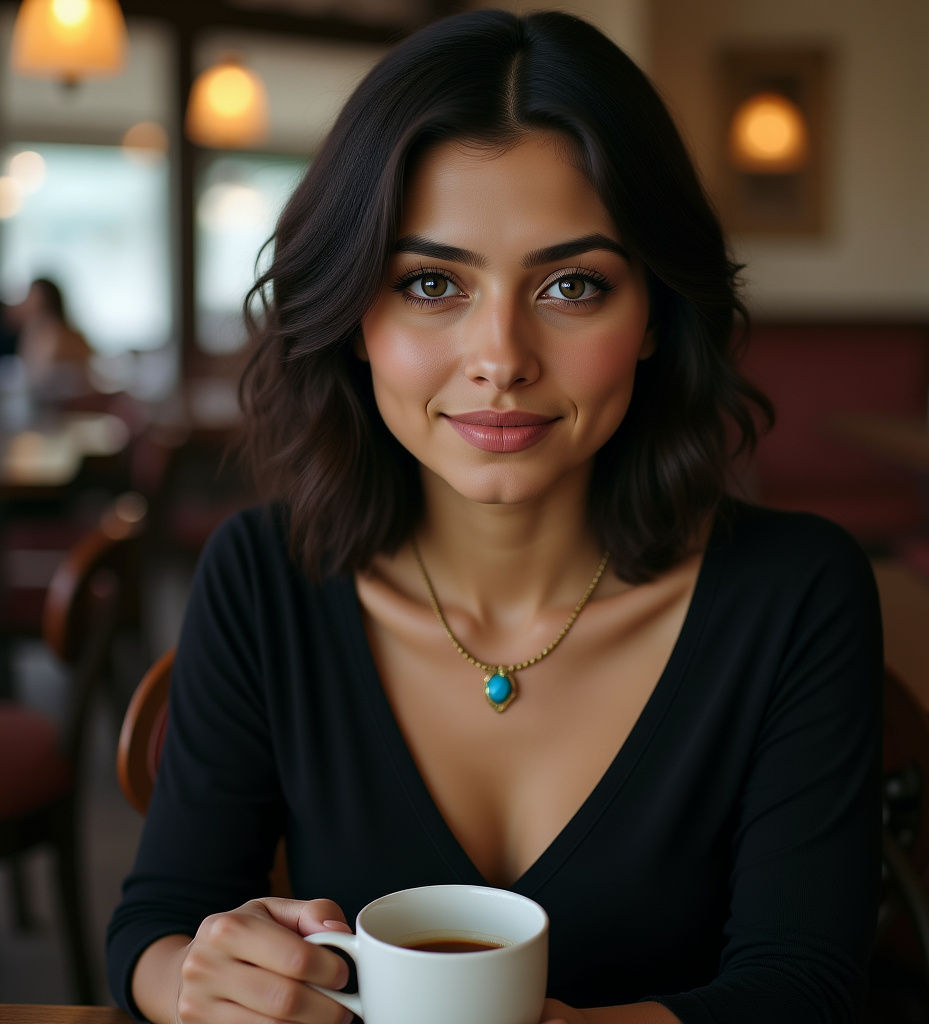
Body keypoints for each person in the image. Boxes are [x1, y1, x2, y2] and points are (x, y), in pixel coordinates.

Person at [107, 9, 882, 1024]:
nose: (500, 355)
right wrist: (198, 978)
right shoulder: (263, 575)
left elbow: (807, 987)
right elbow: (158, 922)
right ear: (354, 316)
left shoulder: (795, 594)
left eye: (572, 284)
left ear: (653, 314)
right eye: (431, 283)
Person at [6, 277, 92, 393]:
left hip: (65, 404)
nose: (23, 302)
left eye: (30, 296)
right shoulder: (32, 332)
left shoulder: (51, 334)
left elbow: (38, 380)